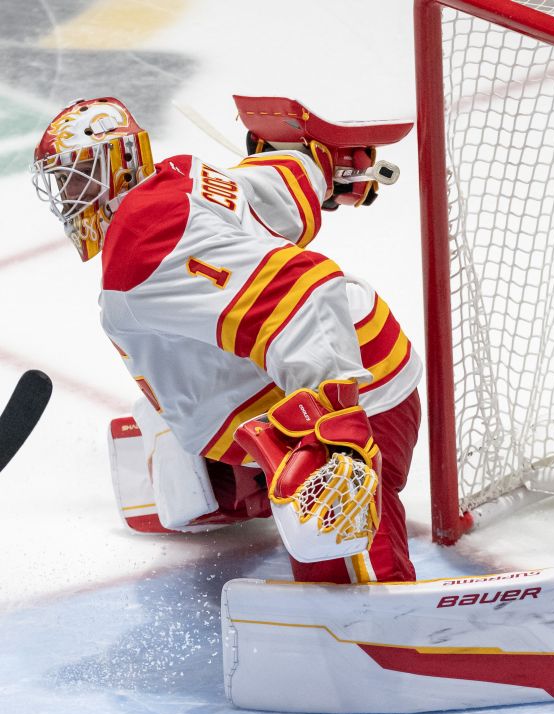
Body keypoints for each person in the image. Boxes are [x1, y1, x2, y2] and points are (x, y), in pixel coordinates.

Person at [30, 97, 422, 584]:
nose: (69, 196)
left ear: (121, 162)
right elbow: (275, 184)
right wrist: (328, 165)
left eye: (77, 176)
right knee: (177, 410)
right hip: (310, 367)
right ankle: (231, 486)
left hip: (362, 393)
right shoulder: (179, 176)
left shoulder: (143, 248)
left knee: (330, 525)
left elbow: (301, 292)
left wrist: (335, 426)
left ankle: (370, 611)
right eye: (61, 181)